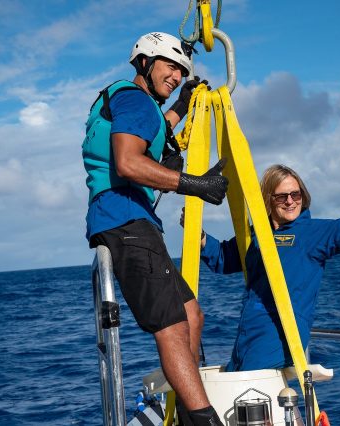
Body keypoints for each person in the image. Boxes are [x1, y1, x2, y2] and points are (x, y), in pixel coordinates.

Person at [82, 32, 228, 425]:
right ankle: (202, 418)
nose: (178, 75)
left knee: (191, 314)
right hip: (125, 220)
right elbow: (129, 162)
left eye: (182, 71)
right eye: (171, 66)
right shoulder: (134, 98)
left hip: (132, 219)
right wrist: (196, 184)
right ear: (144, 63)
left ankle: (184, 408)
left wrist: (181, 104)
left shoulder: (135, 103)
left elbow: (156, 130)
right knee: (172, 324)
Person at [186, 163, 340, 371]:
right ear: (267, 199)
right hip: (247, 337)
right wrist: (201, 236)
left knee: (247, 396)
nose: (290, 201)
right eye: (282, 196)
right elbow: (224, 258)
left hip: (278, 340)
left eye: (295, 194)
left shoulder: (313, 234)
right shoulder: (256, 236)